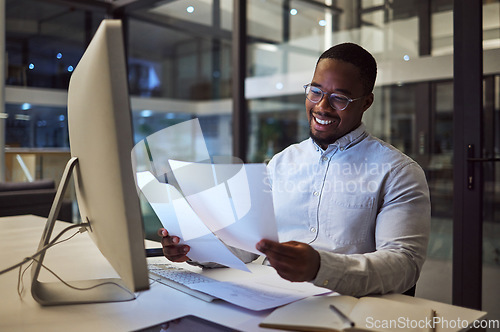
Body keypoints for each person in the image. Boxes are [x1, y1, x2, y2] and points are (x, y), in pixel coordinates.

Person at [159, 42, 430, 297]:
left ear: (366, 103)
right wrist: (191, 248)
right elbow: (247, 245)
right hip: (265, 294)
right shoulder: (281, 162)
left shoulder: (398, 172)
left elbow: (403, 265)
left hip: (342, 305)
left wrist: (320, 267)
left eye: (339, 98)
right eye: (315, 91)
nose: (322, 107)